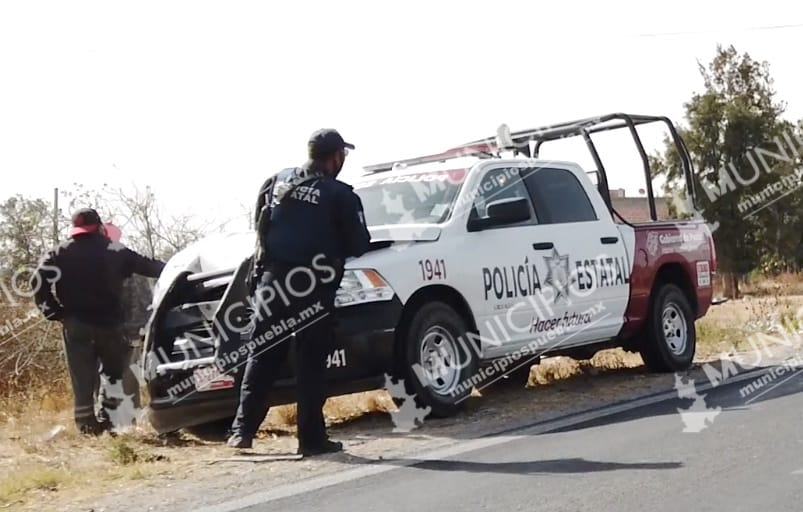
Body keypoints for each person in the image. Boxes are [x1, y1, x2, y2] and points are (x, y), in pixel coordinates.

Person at [227, 128, 371, 455]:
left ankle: (242, 432)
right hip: (313, 288)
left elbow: (260, 226)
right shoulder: (340, 194)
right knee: (310, 363)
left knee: (261, 356)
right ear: (336, 158)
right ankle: (311, 440)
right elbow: (358, 245)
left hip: (272, 282)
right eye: (343, 156)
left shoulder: (277, 180)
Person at [31, 208, 165, 435]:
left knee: (82, 377)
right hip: (110, 325)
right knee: (114, 374)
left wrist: (55, 313)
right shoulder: (115, 250)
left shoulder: (58, 253)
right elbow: (150, 267)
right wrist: (177, 267)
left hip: (76, 324)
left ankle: (86, 426)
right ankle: (108, 420)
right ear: (99, 227)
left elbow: (36, 283)